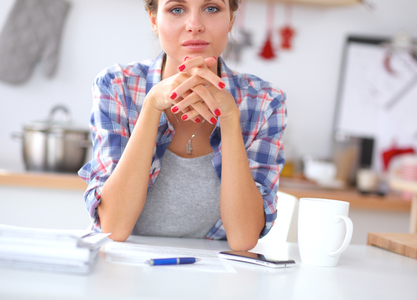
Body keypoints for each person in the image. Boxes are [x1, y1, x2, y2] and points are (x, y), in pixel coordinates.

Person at [78, 0, 287, 251]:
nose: (194, 25)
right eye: (177, 9)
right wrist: (152, 105)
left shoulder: (265, 101)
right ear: (154, 20)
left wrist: (230, 116)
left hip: (215, 276)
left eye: (211, 8)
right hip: (123, 267)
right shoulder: (116, 85)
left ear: (231, 19)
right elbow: (113, 227)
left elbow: (243, 239)